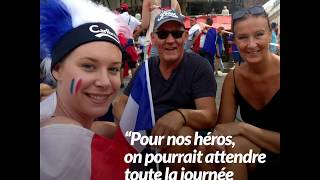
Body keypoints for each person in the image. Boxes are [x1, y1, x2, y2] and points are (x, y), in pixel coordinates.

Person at [114, 9, 218, 173]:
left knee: (183, 135)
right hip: (146, 137)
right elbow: (122, 104)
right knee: (100, 128)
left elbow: (210, 115)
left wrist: (180, 115)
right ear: (154, 39)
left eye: (176, 34)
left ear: (185, 37)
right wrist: (130, 131)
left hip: (186, 142)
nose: (170, 40)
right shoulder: (146, 68)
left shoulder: (199, 66)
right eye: (163, 34)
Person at [40, 0, 134, 179]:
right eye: (89, 66)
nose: (105, 82)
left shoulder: (56, 120)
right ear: (57, 69)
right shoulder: (64, 140)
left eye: (113, 69)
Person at [197, 5, 280, 180]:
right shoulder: (233, 79)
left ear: (270, 34)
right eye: (243, 37)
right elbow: (222, 129)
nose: (251, 44)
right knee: (205, 149)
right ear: (234, 40)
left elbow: (234, 130)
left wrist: (242, 127)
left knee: (235, 145)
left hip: (261, 150)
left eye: (259, 35)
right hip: (256, 154)